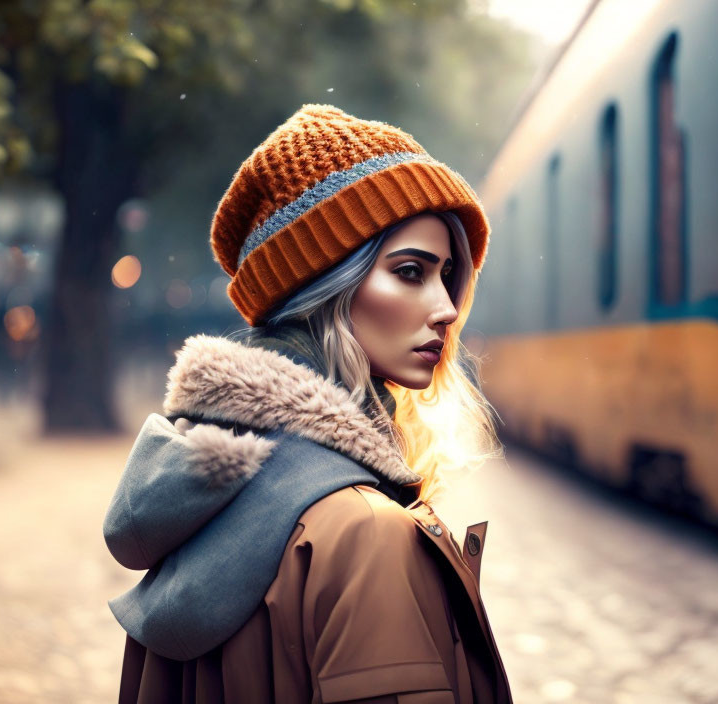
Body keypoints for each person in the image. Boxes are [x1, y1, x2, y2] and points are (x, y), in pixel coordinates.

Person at [103, 104, 512, 703]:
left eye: (445, 275)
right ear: (324, 288)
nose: (447, 308)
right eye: (408, 271)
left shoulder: (195, 502)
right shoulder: (364, 532)